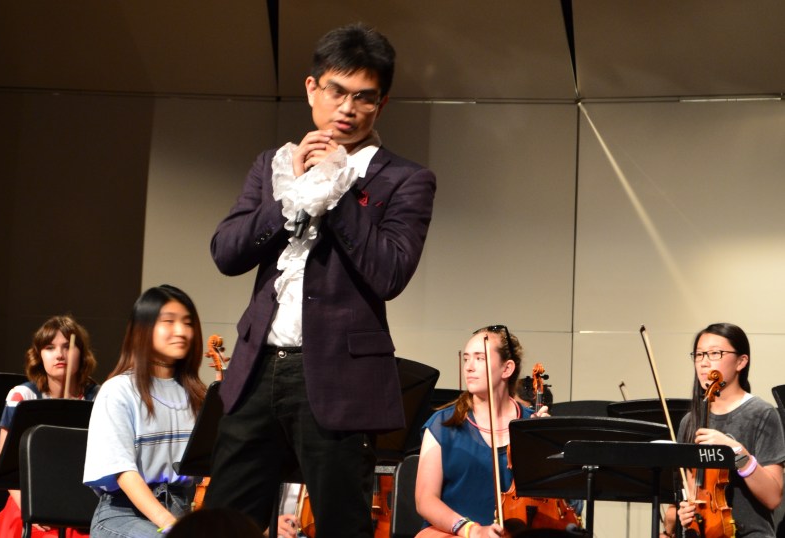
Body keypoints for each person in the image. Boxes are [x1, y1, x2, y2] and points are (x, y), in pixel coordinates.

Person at [204, 23, 436, 536]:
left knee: (340, 525)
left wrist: (335, 188)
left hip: (338, 378)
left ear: (381, 104)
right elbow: (226, 252)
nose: (347, 108)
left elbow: (390, 273)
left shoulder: (405, 179)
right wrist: (290, 191)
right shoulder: (273, 165)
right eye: (336, 91)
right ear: (312, 89)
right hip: (257, 369)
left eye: (364, 97)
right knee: (225, 523)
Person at [82, 285, 207, 536]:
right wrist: (171, 525)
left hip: (181, 509)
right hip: (122, 514)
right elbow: (124, 472)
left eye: (187, 323)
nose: (181, 331)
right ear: (144, 328)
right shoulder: (118, 390)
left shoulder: (199, 395)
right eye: (169, 321)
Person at [414, 326, 552, 538]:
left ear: (507, 369)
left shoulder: (531, 425)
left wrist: (546, 444)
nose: (469, 367)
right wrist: (472, 530)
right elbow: (425, 500)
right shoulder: (442, 425)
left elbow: (559, 500)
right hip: (455, 534)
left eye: (480, 358)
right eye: (466, 359)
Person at [661, 323, 785, 538]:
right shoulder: (690, 421)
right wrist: (686, 511)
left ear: (741, 361)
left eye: (715, 353)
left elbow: (772, 497)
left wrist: (735, 451)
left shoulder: (761, 414)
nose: (704, 363)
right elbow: (691, 491)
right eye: (699, 355)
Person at [0, 315, 100, 538]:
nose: (59, 355)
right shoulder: (22, 396)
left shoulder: (99, 397)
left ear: (82, 353)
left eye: (67, 347)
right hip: (29, 497)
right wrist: (30, 506)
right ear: (39, 355)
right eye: (50, 348)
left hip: (82, 499)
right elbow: (7, 467)